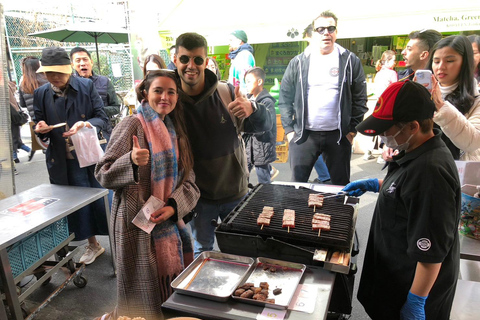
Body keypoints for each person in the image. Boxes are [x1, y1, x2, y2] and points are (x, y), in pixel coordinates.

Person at [343, 80, 461, 320]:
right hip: (394, 275)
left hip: (411, 285)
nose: (382, 136)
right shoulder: (416, 149)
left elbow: (431, 251)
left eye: (387, 129)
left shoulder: (430, 172)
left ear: (412, 126)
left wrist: (416, 300)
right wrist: (378, 185)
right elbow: (410, 194)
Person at [95, 70, 200, 320]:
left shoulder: (176, 131)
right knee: (140, 299)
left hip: (169, 223)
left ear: (177, 97)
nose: (165, 97)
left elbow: (191, 181)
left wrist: (174, 207)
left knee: (167, 292)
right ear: (145, 93)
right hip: (135, 224)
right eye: (158, 91)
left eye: (171, 92)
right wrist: (129, 161)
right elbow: (103, 173)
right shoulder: (132, 124)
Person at [174, 32, 271, 256]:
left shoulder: (225, 92)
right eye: (185, 59)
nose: (191, 65)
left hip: (235, 192)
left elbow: (264, 125)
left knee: (243, 251)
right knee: (203, 254)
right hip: (198, 198)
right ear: (176, 60)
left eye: (198, 59)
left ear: (206, 62)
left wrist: (252, 109)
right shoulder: (171, 101)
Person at [33, 47, 111, 265]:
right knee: (77, 206)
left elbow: (101, 117)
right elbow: (38, 123)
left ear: (69, 70)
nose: (54, 77)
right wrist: (40, 128)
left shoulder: (86, 86)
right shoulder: (41, 94)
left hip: (88, 154)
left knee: (102, 200)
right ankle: (92, 244)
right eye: (49, 73)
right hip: (62, 159)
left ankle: (118, 241)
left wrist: (85, 124)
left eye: (59, 72)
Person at [279, 11, 367, 185]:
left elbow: (360, 98)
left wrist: (351, 131)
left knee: (341, 186)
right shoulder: (299, 62)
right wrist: (289, 131)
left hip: (338, 135)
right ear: (313, 33)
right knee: (297, 186)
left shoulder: (350, 60)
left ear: (336, 32)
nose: (326, 32)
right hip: (304, 135)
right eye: (320, 29)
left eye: (330, 28)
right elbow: (285, 97)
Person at [428, 35, 480, 161]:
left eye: (449, 61)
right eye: (436, 61)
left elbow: (472, 142)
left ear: (465, 63)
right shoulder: (423, 93)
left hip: (457, 174)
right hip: (423, 169)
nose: (441, 66)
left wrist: (440, 105)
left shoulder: (476, 99)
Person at [243, 67, 277, 184]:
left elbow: (268, 125)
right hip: (249, 146)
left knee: (263, 178)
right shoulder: (248, 99)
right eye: (245, 82)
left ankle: (266, 199)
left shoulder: (267, 101)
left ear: (259, 82)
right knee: (243, 176)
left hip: (262, 146)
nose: (246, 85)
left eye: (249, 81)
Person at [70, 47, 120, 119]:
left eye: (85, 59)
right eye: (78, 61)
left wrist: (98, 110)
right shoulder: (70, 83)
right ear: (72, 65)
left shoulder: (105, 81)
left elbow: (116, 108)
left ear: (91, 62)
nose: (82, 63)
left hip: (103, 127)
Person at [18, 56, 49, 161]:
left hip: (37, 120)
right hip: (50, 116)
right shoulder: (46, 80)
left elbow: (22, 104)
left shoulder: (23, 84)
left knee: (46, 144)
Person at [9, 80, 31, 167]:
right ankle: (28, 150)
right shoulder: (8, 85)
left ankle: (14, 158)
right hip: (14, 114)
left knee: (12, 139)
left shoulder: (3, 86)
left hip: (11, 115)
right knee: (15, 138)